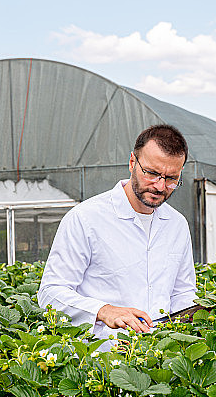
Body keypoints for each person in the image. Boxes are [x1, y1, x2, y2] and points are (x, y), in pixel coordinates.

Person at [37, 124, 197, 344]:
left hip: (160, 352)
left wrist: (205, 313)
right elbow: (50, 293)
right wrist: (103, 310)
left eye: (171, 178)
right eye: (152, 173)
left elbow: (182, 293)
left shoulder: (177, 225)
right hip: (101, 355)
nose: (160, 186)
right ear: (132, 163)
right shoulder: (86, 218)